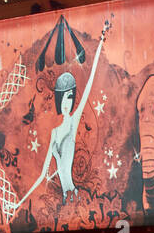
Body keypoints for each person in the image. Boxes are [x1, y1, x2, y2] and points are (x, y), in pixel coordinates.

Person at [14, 18, 110, 215]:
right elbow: (43, 174)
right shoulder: (55, 133)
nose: (67, 102)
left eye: (70, 98)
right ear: (59, 100)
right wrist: (20, 202)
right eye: (63, 98)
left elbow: (90, 81)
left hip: (75, 197)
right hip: (66, 200)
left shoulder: (73, 123)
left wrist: (100, 42)